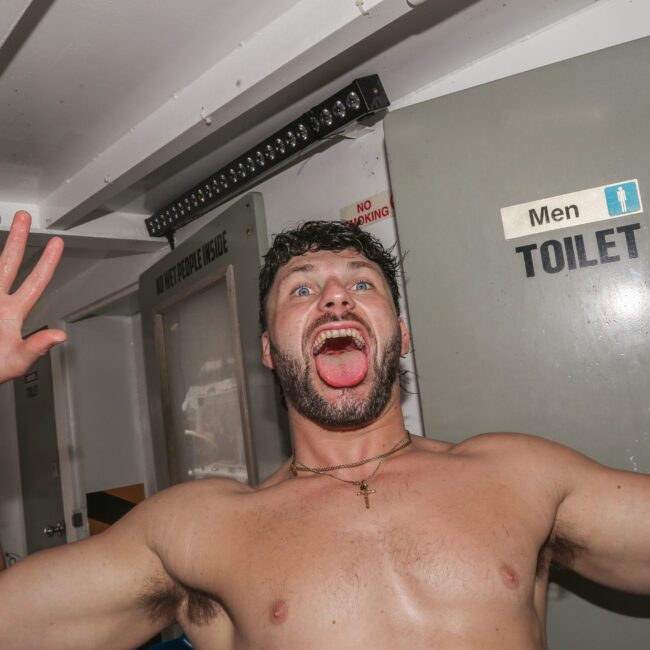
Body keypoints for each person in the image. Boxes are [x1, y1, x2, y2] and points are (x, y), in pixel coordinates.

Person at [0, 210, 648, 650]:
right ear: (266, 349)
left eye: (361, 283)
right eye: (302, 292)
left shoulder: (520, 475)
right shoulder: (199, 531)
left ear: (401, 336)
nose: (336, 298)